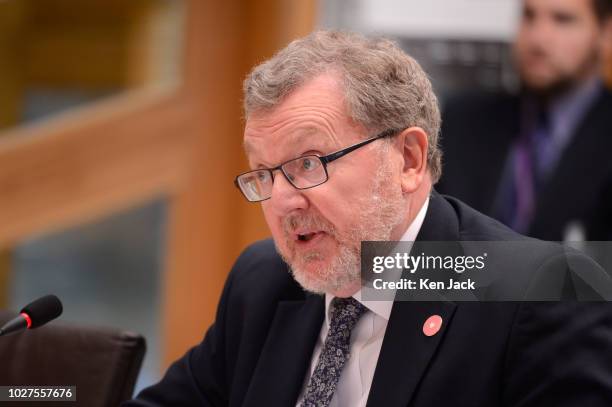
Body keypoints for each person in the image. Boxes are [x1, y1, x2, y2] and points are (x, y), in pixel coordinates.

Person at [123, 31, 612, 406]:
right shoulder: (263, 282)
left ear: (408, 160)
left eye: (308, 164)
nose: (284, 202)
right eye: (264, 175)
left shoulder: (539, 291)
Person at [438, 0, 612, 240]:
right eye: (529, 16)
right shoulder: (464, 121)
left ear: (606, 32)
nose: (538, 39)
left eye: (563, 20)